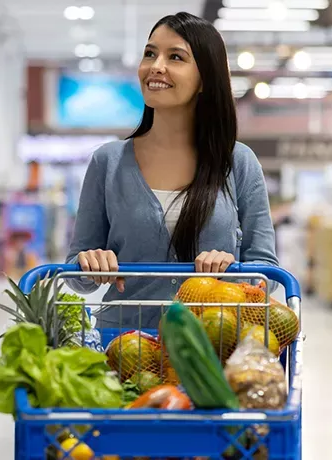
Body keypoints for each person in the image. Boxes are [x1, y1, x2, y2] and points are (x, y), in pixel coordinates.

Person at [64, 12, 280, 329]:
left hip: (212, 345)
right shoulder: (108, 162)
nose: (156, 66)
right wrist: (90, 263)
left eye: (175, 57)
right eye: (150, 53)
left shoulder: (238, 162)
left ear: (205, 78)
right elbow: (76, 274)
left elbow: (267, 272)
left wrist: (232, 272)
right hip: (123, 346)